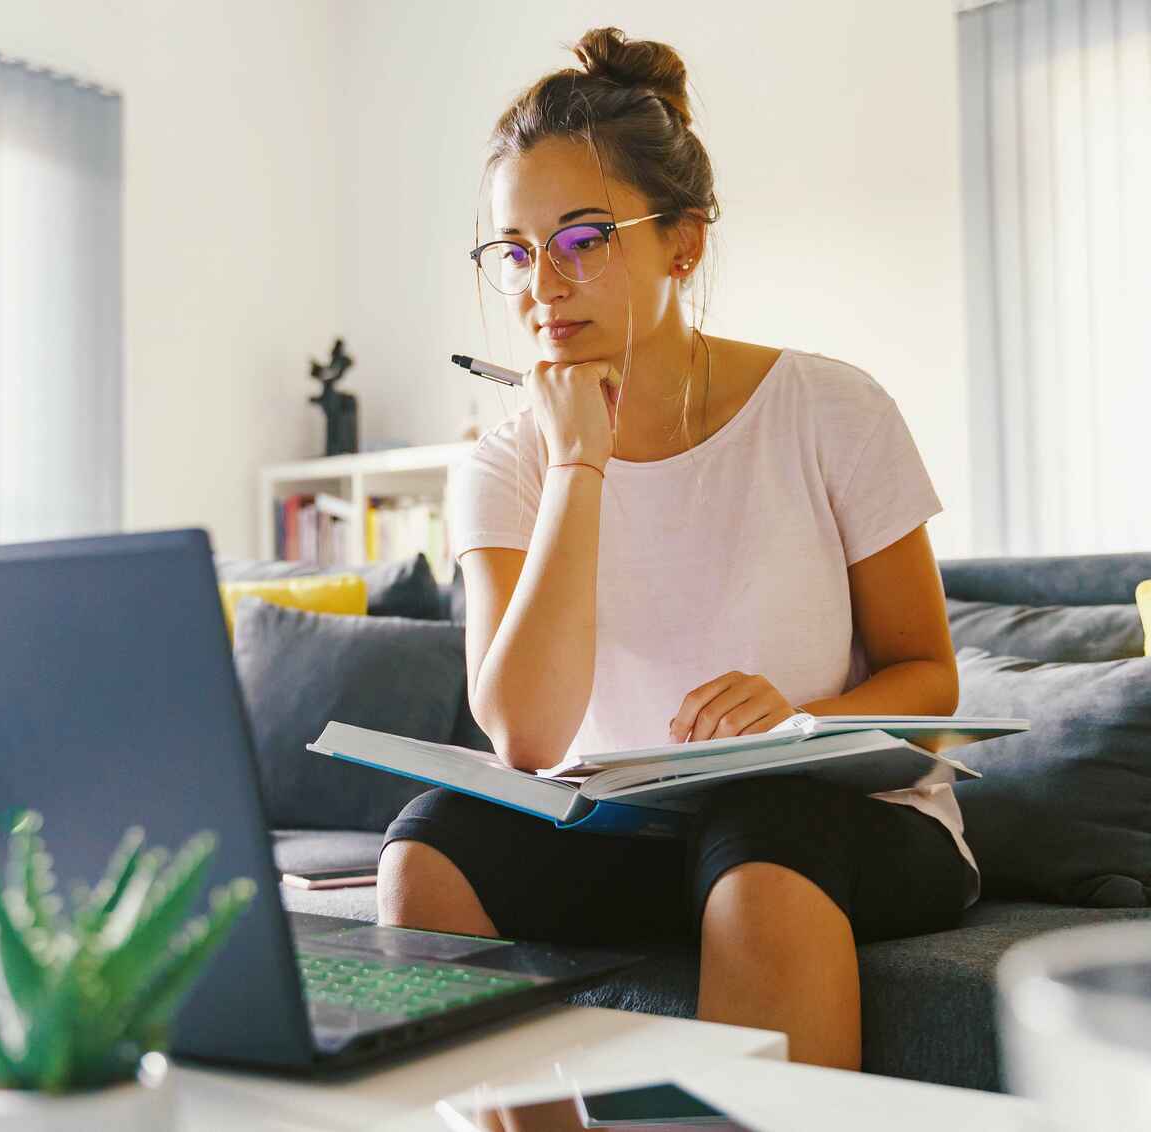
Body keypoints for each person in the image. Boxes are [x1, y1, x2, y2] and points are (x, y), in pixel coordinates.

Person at [376, 27, 976, 1071]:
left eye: (584, 238)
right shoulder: (505, 464)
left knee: (762, 822)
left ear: (683, 244)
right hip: (630, 834)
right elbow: (524, 733)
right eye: (515, 251)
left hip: (840, 820)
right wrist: (578, 464)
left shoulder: (831, 407)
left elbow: (929, 690)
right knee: (428, 843)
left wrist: (798, 720)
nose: (542, 284)